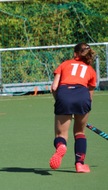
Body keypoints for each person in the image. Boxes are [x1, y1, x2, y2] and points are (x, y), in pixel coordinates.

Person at [49, 42, 97, 173]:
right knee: (80, 133)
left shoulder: (64, 64)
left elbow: (54, 87)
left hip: (64, 95)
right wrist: (83, 110)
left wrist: (59, 102)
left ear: (75, 54)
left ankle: (61, 145)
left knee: (61, 134)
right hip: (83, 97)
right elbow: (90, 96)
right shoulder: (91, 70)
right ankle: (80, 164)